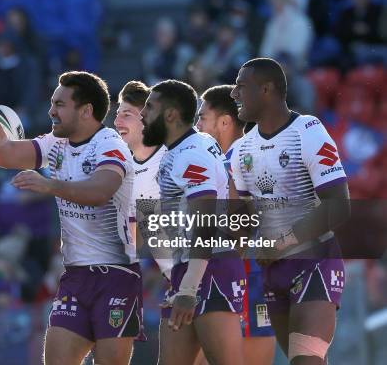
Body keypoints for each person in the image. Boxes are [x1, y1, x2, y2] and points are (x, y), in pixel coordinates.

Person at [0, 63, 143, 365]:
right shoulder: (56, 143)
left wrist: (49, 185)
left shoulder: (110, 145)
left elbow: (100, 190)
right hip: (75, 276)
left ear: (86, 111)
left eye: (59, 104)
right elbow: (2, 153)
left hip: (116, 276)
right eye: (52, 104)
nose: (51, 112)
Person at [229, 57, 350, 364]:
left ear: (266, 89)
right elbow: (244, 217)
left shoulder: (307, 131)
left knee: (305, 361)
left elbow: (339, 206)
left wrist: (281, 242)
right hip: (272, 271)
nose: (234, 94)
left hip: (314, 263)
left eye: (241, 87)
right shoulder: (242, 149)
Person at [140, 80, 245, 365]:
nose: (142, 114)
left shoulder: (190, 153)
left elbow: (206, 218)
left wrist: (188, 288)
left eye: (149, 107)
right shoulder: (190, 146)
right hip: (190, 269)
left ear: (171, 114)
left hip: (209, 270)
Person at [195, 85, 276, 365]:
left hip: (246, 274)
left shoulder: (242, 159)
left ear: (225, 122)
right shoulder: (214, 162)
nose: (196, 125)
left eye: (202, 118)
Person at [113, 81, 169, 277]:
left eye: (126, 115)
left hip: (209, 274)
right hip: (177, 284)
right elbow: (133, 242)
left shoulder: (176, 156)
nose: (117, 122)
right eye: (117, 114)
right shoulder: (125, 174)